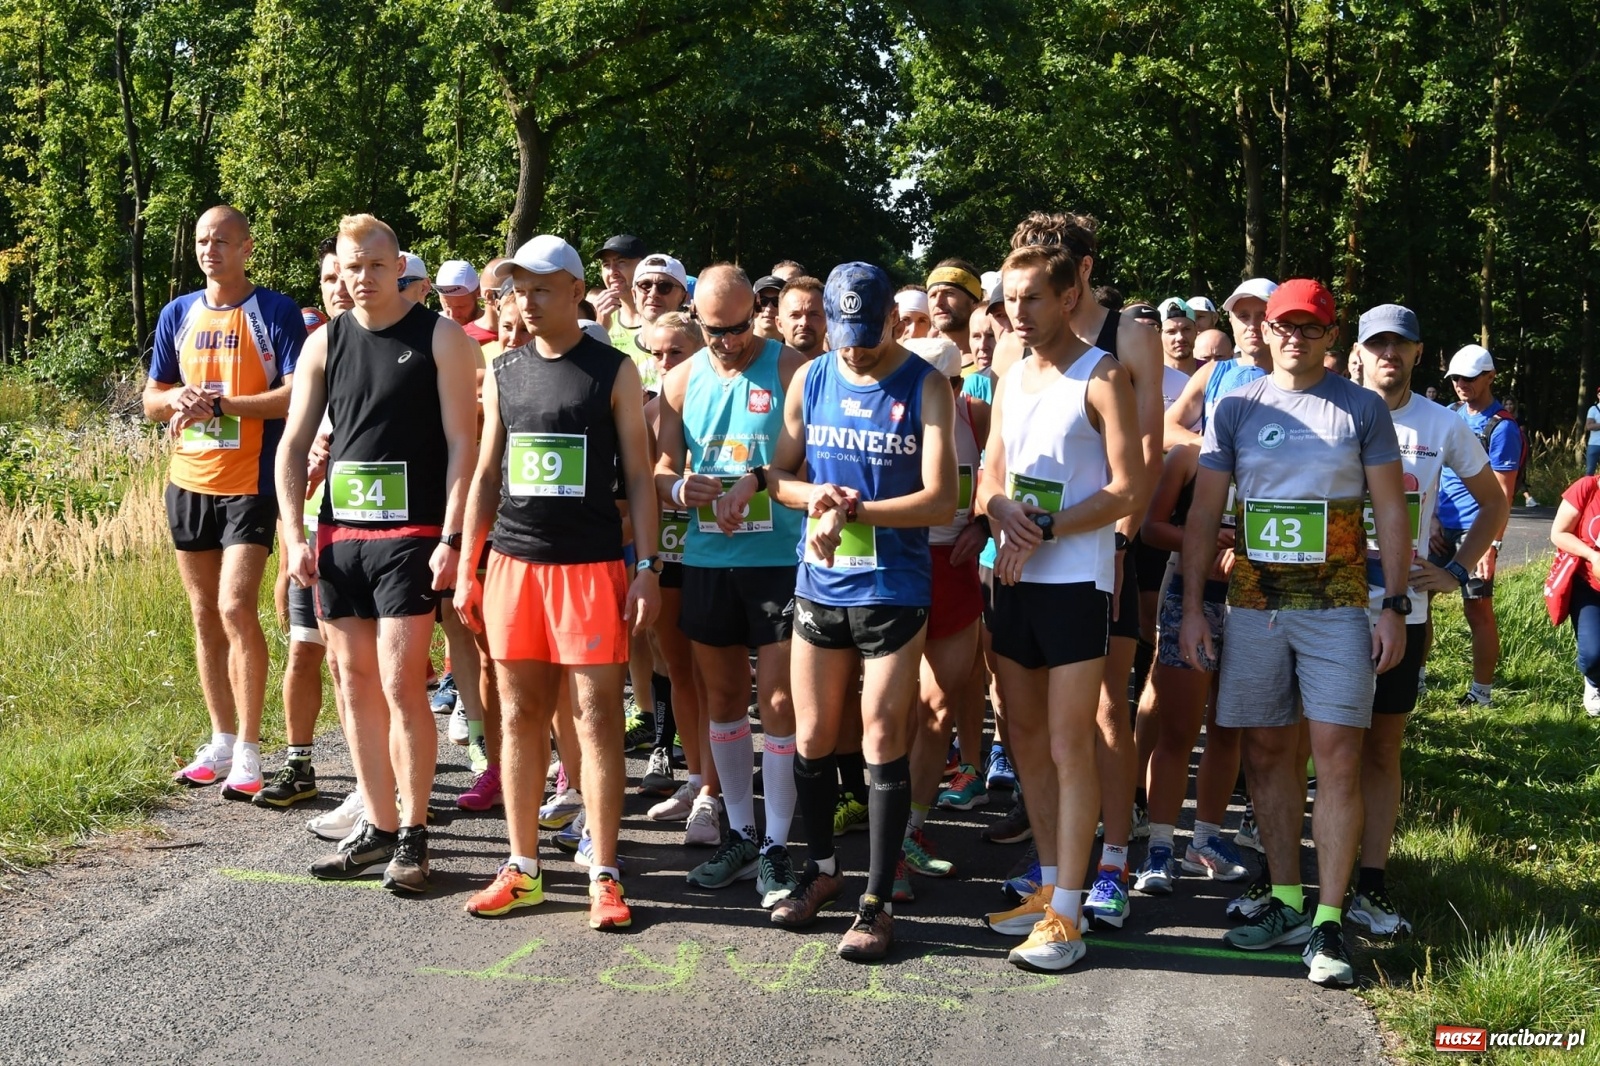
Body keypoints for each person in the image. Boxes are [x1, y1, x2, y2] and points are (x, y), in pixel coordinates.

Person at [1179, 278, 1411, 989]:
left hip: (1339, 608)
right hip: (1254, 608)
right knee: (1269, 749)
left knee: (1338, 754)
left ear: (1329, 335)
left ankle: (1331, 920)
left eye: (1310, 327)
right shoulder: (1235, 405)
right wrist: (1192, 605)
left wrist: (1395, 602)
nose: (1294, 337)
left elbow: (1391, 512)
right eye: (1284, 325)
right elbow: (1202, 513)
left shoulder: (1361, 408)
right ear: (1265, 330)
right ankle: (1284, 898)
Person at [455, 235, 660, 930]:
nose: (528, 301)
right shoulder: (505, 370)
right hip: (514, 564)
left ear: (577, 291)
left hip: (592, 568)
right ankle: (523, 867)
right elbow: (486, 475)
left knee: (597, 719)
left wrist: (649, 568)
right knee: (518, 718)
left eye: (542, 288)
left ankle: (604, 870)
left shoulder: (614, 371)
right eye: (519, 290)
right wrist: (466, 566)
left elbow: (638, 476)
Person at [277, 213, 478, 892]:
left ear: (399, 268)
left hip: (412, 537)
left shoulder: (440, 337)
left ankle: (415, 836)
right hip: (339, 537)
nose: (359, 279)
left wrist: (453, 536)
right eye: (346, 267)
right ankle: (381, 824)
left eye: (372, 265)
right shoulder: (323, 344)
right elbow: (291, 445)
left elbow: (463, 446)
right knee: (352, 680)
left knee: (399, 682)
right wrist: (290, 531)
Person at [766, 262, 958, 962]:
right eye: (840, 336)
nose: (851, 350)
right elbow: (779, 476)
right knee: (812, 733)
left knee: (880, 733)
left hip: (893, 587)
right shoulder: (812, 378)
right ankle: (821, 872)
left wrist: (857, 509)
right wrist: (814, 498)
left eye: (864, 336)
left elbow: (942, 500)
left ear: (894, 323)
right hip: (821, 583)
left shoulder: (925, 384)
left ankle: (876, 901)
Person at [990, 211, 1163, 931]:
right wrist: (1002, 510)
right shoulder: (1004, 372)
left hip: (1076, 583)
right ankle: (1052, 885)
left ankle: (1070, 910)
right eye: (1009, 299)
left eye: (1031, 298)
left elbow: (1130, 486)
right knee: (1024, 737)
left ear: (1067, 298)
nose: (1018, 313)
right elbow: (987, 481)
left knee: (1071, 741)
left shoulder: (1104, 375)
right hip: (1011, 581)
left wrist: (1052, 526)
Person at [654, 264, 808, 905]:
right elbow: (661, 468)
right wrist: (679, 488)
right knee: (721, 697)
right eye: (716, 330)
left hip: (779, 557)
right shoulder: (680, 379)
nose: (730, 341)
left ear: (756, 311)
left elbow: (804, 452)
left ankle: (776, 844)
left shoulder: (793, 366)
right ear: (697, 317)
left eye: (742, 326)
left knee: (776, 701)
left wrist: (761, 477)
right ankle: (741, 835)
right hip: (709, 558)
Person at [1352, 304, 1505, 937]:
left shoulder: (1442, 425)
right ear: (1358, 352)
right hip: (1325, 609)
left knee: (1382, 749)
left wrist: (1460, 572)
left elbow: (1493, 504)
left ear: (1420, 354)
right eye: (1378, 343)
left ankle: (1371, 882)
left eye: (1402, 344)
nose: (1390, 354)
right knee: (1307, 747)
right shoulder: (1329, 410)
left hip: (1402, 610)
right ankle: (1295, 877)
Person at [144, 206, 305, 799]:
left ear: (247, 248)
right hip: (188, 480)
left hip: (250, 481)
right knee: (204, 613)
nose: (211, 249)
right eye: (202, 240)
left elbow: (293, 395)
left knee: (237, 607)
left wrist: (226, 405)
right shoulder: (178, 312)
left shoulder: (275, 311)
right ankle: (219, 737)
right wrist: (176, 400)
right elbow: (151, 397)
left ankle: (250, 749)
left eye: (222, 240)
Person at [1430, 344, 1522, 708]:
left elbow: (1503, 493)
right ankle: (1416, 682)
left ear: (1490, 377)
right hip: (1440, 527)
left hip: (1475, 531)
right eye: (1455, 378)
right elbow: (1432, 471)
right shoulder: (1450, 414)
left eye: (1469, 378)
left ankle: (1481, 694)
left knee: (1477, 609)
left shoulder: (1503, 427)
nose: (1460, 385)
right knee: (1417, 600)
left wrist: (1491, 545)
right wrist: (1432, 518)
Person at [1162, 278, 1278, 450]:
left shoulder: (1301, 375)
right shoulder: (1212, 373)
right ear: (1231, 321)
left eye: (1263, 315)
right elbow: (1167, 431)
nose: (1252, 325)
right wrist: (1220, 448)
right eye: (1243, 316)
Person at [1551, 475, 1600, 717]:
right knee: (1593, 656)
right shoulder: (1588, 487)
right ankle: (1594, 682)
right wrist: (1593, 556)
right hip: (1589, 585)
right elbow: (1558, 533)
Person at [927, 259, 984, 370]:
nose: (939, 302)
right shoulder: (919, 363)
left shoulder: (993, 362)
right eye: (933, 295)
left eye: (949, 293)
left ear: (974, 303)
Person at [778, 275, 828, 361]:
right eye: (795, 315)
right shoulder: (761, 371)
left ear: (828, 322)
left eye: (813, 315)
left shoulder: (843, 371)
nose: (804, 323)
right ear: (779, 324)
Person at [1158, 298, 1199, 377]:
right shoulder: (1150, 377)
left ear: (1196, 331)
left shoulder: (1213, 374)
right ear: (1159, 335)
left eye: (1186, 329)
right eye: (1171, 331)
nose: (1180, 337)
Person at [753, 274, 786, 341]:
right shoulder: (736, 346)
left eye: (777, 302)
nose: (769, 309)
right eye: (763, 301)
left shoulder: (795, 349)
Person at [1584, 386, 1600, 476]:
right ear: (1598, 396)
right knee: (1589, 473)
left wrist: (1596, 425)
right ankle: (1588, 490)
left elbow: (1593, 425)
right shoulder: (1593, 409)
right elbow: (1589, 426)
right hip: (1594, 444)